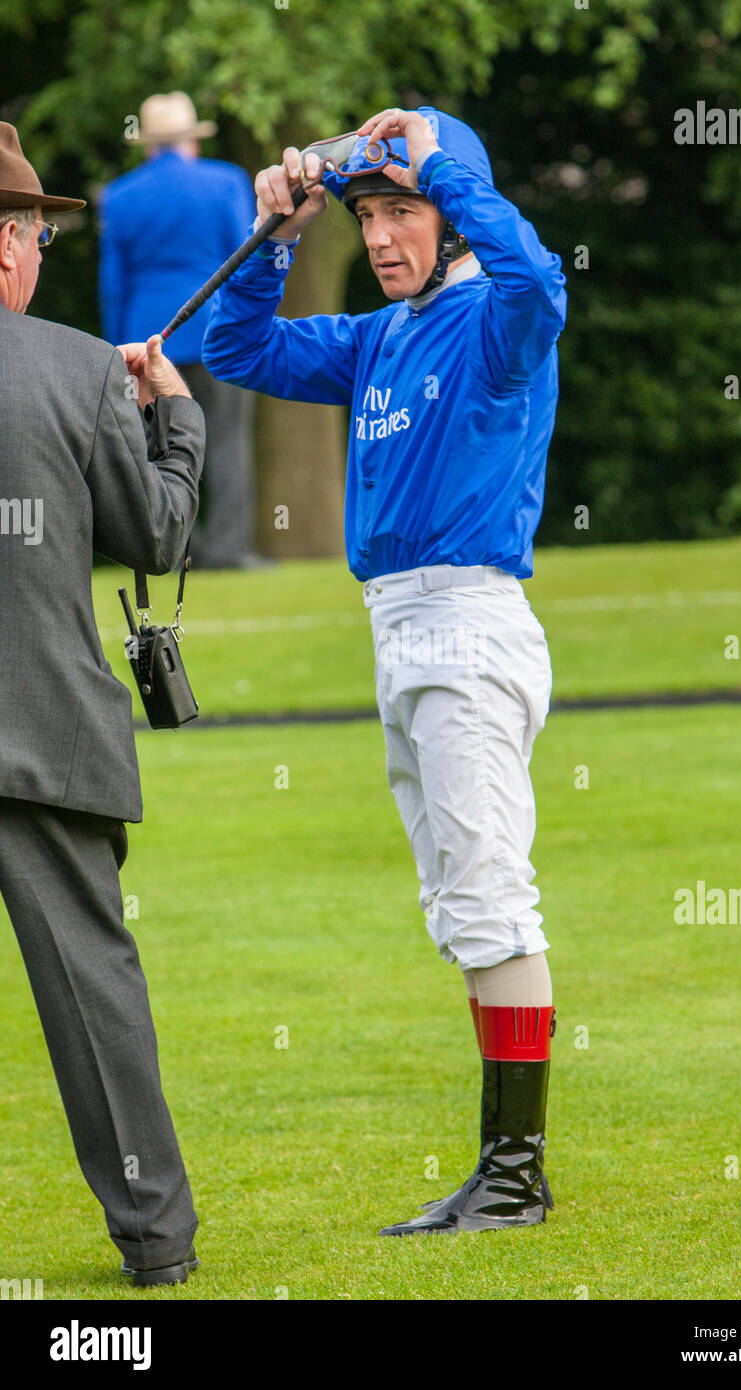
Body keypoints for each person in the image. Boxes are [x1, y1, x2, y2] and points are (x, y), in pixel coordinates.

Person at [202, 105, 567, 1235]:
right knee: (459, 904)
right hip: (398, 634)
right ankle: (503, 1169)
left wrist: (445, 176)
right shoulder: (374, 337)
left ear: (449, 213)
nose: (380, 235)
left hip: (465, 626)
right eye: (366, 215)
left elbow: (541, 282)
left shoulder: (498, 320)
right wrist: (274, 236)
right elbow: (237, 350)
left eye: (399, 210)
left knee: (490, 898)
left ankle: (513, 1177)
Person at [0, 121, 204, 1285]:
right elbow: (157, 531)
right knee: (94, 1001)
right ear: (9, 246)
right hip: (43, 739)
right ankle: (156, 1245)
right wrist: (169, 417)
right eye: (34, 236)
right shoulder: (78, 370)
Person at [99, 90, 267, 569]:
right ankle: (229, 548)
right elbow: (244, 261)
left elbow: (114, 284)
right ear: (191, 139)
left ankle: (162, 548)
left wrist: (119, 350)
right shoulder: (226, 183)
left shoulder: (121, 195)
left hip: (147, 337)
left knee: (154, 447)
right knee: (228, 440)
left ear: (149, 144)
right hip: (218, 331)